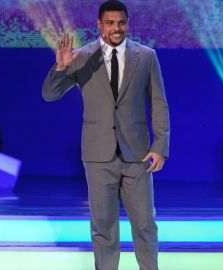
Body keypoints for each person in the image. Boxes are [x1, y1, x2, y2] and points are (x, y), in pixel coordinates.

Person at [42, 1, 170, 269]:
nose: (116, 28)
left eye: (121, 22)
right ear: (99, 25)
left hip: (137, 154)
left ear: (127, 23)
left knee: (145, 224)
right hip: (98, 155)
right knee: (103, 226)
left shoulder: (146, 56)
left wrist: (160, 146)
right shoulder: (82, 57)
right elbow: (50, 94)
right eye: (110, 23)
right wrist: (62, 68)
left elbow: (158, 103)